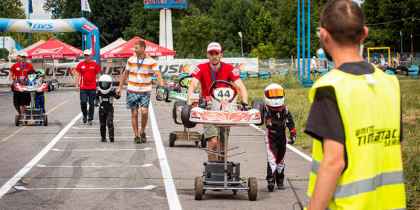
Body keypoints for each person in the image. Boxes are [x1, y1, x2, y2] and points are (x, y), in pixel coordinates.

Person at [304, 1, 406, 210]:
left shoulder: (329, 88)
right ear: (364, 33)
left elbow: (334, 162)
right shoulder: (390, 84)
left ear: (323, 35)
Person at [187, 42, 249, 161]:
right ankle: (211, 169)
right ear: (207, 55)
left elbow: (241, 87)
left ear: (221, 54)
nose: (214, 56)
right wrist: (190, 100)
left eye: (216, 53)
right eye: (211, 53)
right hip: (208, 108)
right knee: (213, 141)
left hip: (226, 109)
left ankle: (222, 170)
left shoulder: (230, 68)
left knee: (222, 144)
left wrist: (245, 103)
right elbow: (193, 84)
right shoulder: (201, 67)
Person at [117, 40, 164, 144]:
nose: (135, 49)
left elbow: (158, 74)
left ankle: (142, 131)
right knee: (134, 113)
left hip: (145, 90)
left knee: (144, 111)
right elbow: (125, 74)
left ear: (143, 48)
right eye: (134, 47)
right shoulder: (131, 59)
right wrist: (120, 87)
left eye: (137, 47)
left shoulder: (151, 61)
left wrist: (161, 86)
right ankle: (136, 135)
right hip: (132, 89)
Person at [262, 83, 296, 191]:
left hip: (282, 136)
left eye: (278, 94)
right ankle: (270, 180)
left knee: (281, 159)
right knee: (272, 158)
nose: (275, 97)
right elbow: (259, 121)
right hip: (270, 136)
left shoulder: (285, 110)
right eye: (272, 94)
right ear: (266, 96)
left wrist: (293, 134)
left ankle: (280, 179)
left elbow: (291, 123)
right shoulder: (265, 109)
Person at [73, 49, 101, 125]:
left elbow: (98, 76)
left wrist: (100, 86)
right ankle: (85, 115)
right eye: (85, 55)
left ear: (91, 56)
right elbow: (77, 75)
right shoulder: (80, 64)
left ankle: (90, 119)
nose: (86, 57)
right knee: (83, 102)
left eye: (88, 55)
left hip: (92, 87)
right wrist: (76, 85)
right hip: (83, 87)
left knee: (92, 104)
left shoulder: (95, 65)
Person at [96, 74, 120, 143]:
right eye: (103, 84)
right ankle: (103, 137)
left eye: (106, 84)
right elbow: (96, 98)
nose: (104, 85)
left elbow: (117, 97)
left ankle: (111, 137)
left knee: (110, 122)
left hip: (109, 109)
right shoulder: (99, 91)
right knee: (102, 124)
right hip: (101, 109)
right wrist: (96, 103)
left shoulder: (112, 91)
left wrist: (118, 93)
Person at [10, 52, 34, 116]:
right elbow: (11, 74)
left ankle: (23, 114)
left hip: (26, 86)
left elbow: (32, 75)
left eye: (24, 57)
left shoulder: (30, 65)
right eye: (22, 57)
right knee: (16, 103)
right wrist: (14, 78)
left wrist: (29, 80)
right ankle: (20, 113)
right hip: (17, 86)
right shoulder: (15, 65)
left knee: (24, 102)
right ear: (20, 57)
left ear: (26, 58)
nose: (23, 58)